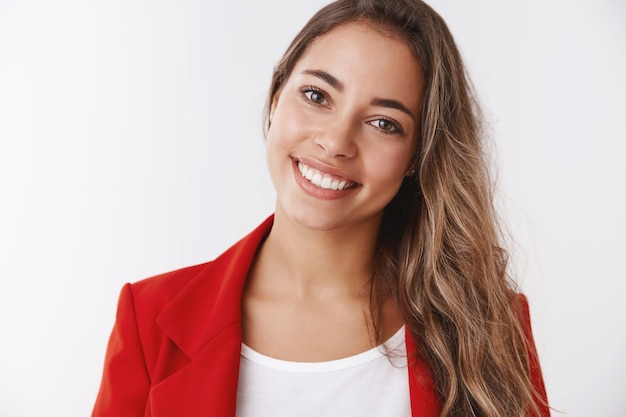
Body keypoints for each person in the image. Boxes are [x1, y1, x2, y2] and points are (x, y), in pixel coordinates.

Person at [92, 0, 550, 416]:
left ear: (417, 157)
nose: (334, 143)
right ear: (276, 98)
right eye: (316, 96)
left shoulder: (488, 328)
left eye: (384, 123)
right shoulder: (148, 318)